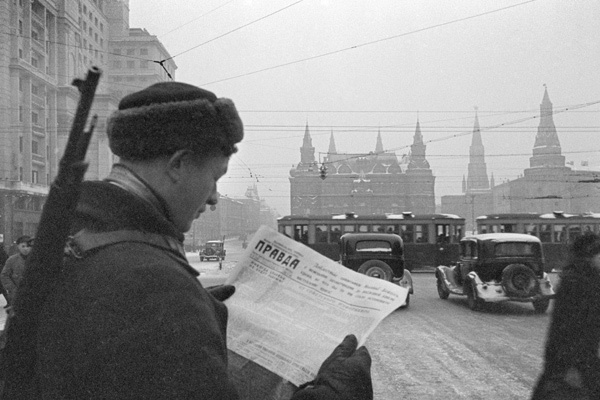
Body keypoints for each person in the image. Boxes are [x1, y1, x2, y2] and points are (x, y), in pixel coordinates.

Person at [33, 82, 372, 399]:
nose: (213, 197)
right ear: (178, 164)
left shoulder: (86, 237)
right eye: (214, 177)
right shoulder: (153, 285)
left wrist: (191, 308)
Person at [531, 233, 600, 400]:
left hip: (577, 362)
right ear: (589, 256)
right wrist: (571, 368)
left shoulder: (585, 279)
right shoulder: (579, 283)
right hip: (573, 365)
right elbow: (566, 331)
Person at [0, 235, 33, 307]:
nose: (26, 249)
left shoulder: (37, 260)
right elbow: (4, 275)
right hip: (16, 297)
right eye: (23, 246)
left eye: (28, 246)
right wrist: (13, 289)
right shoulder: (12, 260)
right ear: (18, 246)